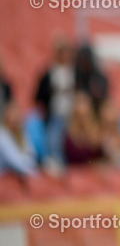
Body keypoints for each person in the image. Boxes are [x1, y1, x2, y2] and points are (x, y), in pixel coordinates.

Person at [34, 38, 76, 167]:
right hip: (54, 114)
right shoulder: (49, 73)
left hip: (72, 116)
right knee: (53, 143)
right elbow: (38, 96)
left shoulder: (74, 73)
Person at [63, 92, 104, 166]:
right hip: (75, 172)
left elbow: (100, 155)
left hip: (93, 172)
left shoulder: (96, 130)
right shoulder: (68, 133)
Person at [0, 101, 37, 177]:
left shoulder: (21, 133)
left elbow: (32, 154)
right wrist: (35, 174)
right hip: (4, 178)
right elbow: (18, 163)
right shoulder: (2, 135)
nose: (16, 117)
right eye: (13, 113)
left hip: (19, 175)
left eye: (17, 114)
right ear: (6, 114)